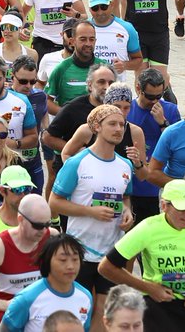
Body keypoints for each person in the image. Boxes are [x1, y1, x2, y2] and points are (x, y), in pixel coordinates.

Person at [99, 180, 185, 332]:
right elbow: (106, 267)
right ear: (164, 206)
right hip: (156, 305)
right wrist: (148, 288)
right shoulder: (148, 228)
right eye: (181, 209)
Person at [50, 104, 134, 310]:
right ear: (96, 127)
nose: (118, 129)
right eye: (112, 124)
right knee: (80, 308)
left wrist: (127, 211)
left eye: (122, 125)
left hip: (111, 250)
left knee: (105, 309)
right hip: (81, 250)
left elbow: (125, 197)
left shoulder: (125, 165)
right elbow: (54, 202)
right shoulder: (77, 163)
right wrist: (90, 211)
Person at [0, 192, 56, 319]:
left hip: (43, 319)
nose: (43, 231)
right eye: (37, 226)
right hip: (10, 320)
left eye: (47, 225)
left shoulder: (52, 237)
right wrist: (6, 305)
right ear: (20, 219)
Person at [1, 234, 92, 332]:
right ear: (47, 261)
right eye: (63, 260)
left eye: (75, 259)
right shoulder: (26, 299)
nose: (70, 266)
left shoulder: (85, 297)